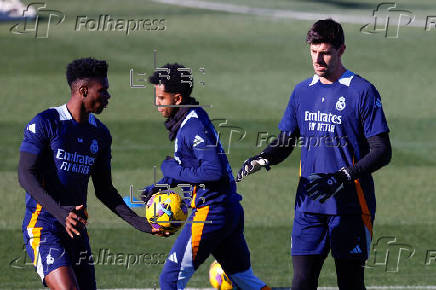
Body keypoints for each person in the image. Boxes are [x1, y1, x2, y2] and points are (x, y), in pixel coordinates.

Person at [236, 19, 392, 290]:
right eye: (313, 51)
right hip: (308, 206)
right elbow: (286, 141)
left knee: (350, 284)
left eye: (325, 52)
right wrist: (264, 157)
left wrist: (344, 176)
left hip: (351, 207)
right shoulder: (302, 92)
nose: (318, 59)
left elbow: (382, 151)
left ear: (341, 50)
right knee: (302, 283)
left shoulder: (362, 91)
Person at [18, 57, 164, 289]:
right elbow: (25, 175)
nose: (108, 97)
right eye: (103, 90)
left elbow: (104, 190)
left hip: (76, 231)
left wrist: (141, 223)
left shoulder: (100, 134)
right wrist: (60, 213)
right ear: (83, 90)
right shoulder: (47, 122)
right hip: (44, 225)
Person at [142, 63, 270, 289]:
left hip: (212, 212)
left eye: (161, 98)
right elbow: (192, 165)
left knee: (169, 279)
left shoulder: (192, 126)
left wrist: (170, 170)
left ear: (177, 98)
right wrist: (162, 185)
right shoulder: (192, 118)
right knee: (243, 281)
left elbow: (213, 172)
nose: (157, 103)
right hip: (227, 210)